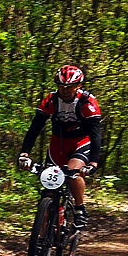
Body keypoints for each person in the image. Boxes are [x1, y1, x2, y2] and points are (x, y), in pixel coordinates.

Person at [18, 65, 101, 229]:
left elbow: (96, 134)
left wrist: (93, 163)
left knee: (73, 173)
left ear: (78, 86)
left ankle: (79, 208)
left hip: (81, 142)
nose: (65, 90)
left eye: (69, 87)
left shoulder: (87, 102)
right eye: (61, 87)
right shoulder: (51, 100)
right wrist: (25, 153)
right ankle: (43, 236)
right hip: (59, 143)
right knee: (48, 186)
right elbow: (35, 128)